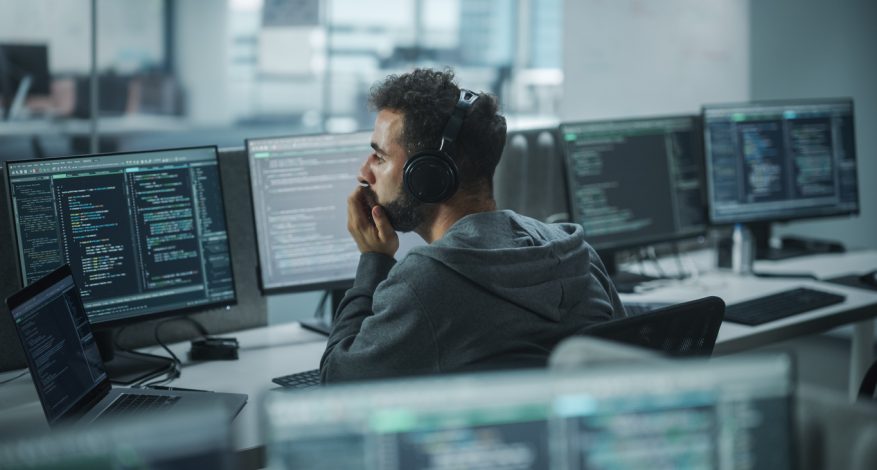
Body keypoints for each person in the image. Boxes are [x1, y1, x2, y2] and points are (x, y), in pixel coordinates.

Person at [320, 68, 624, 383]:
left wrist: (373, 259)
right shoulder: (577, 254)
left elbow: (336, 380)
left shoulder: (425, 283)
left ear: (427, 175)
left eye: (380, 158)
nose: (363, 173)